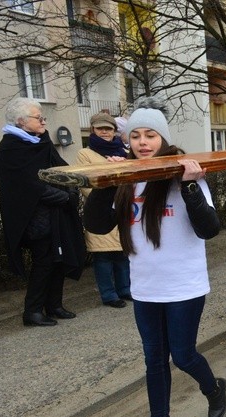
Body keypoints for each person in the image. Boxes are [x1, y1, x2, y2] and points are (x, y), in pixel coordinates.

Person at [83, 97, 226, 417]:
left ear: (163, 138)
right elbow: (97, 226)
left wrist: (192, 186)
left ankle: (214, 389)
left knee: (183, 355)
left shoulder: (183, 175)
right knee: (154, 361)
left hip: (184, 286)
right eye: (136, 135)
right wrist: (104, 184)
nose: (143, 142)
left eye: (150, 135)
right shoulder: (127, 179)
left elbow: (209, 229)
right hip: (145, 287)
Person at [0, 97, 85, 327]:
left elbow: (62, 170)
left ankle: (54, 305)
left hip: (55, 216)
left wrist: (72, 187)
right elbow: (30, 187)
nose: (44, 121)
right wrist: (66, 197)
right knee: (44, 263)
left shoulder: (40, 142)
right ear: (21, 121)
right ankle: (33, 311)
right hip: (34, 219)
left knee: (58, 260)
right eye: (39, 117)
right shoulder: (10, 148)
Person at [76, 112, 131, 308]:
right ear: (93, 130)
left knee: (122, 254)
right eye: (100, 128)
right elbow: (86, 183)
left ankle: (125, 288)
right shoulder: (85, 153)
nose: (105, 132)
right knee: (103, 256)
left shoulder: (123, 151)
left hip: (121, 209)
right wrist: (105, 198)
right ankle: (109, 294)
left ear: (114, 130)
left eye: (108, 128)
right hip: (99, 211)